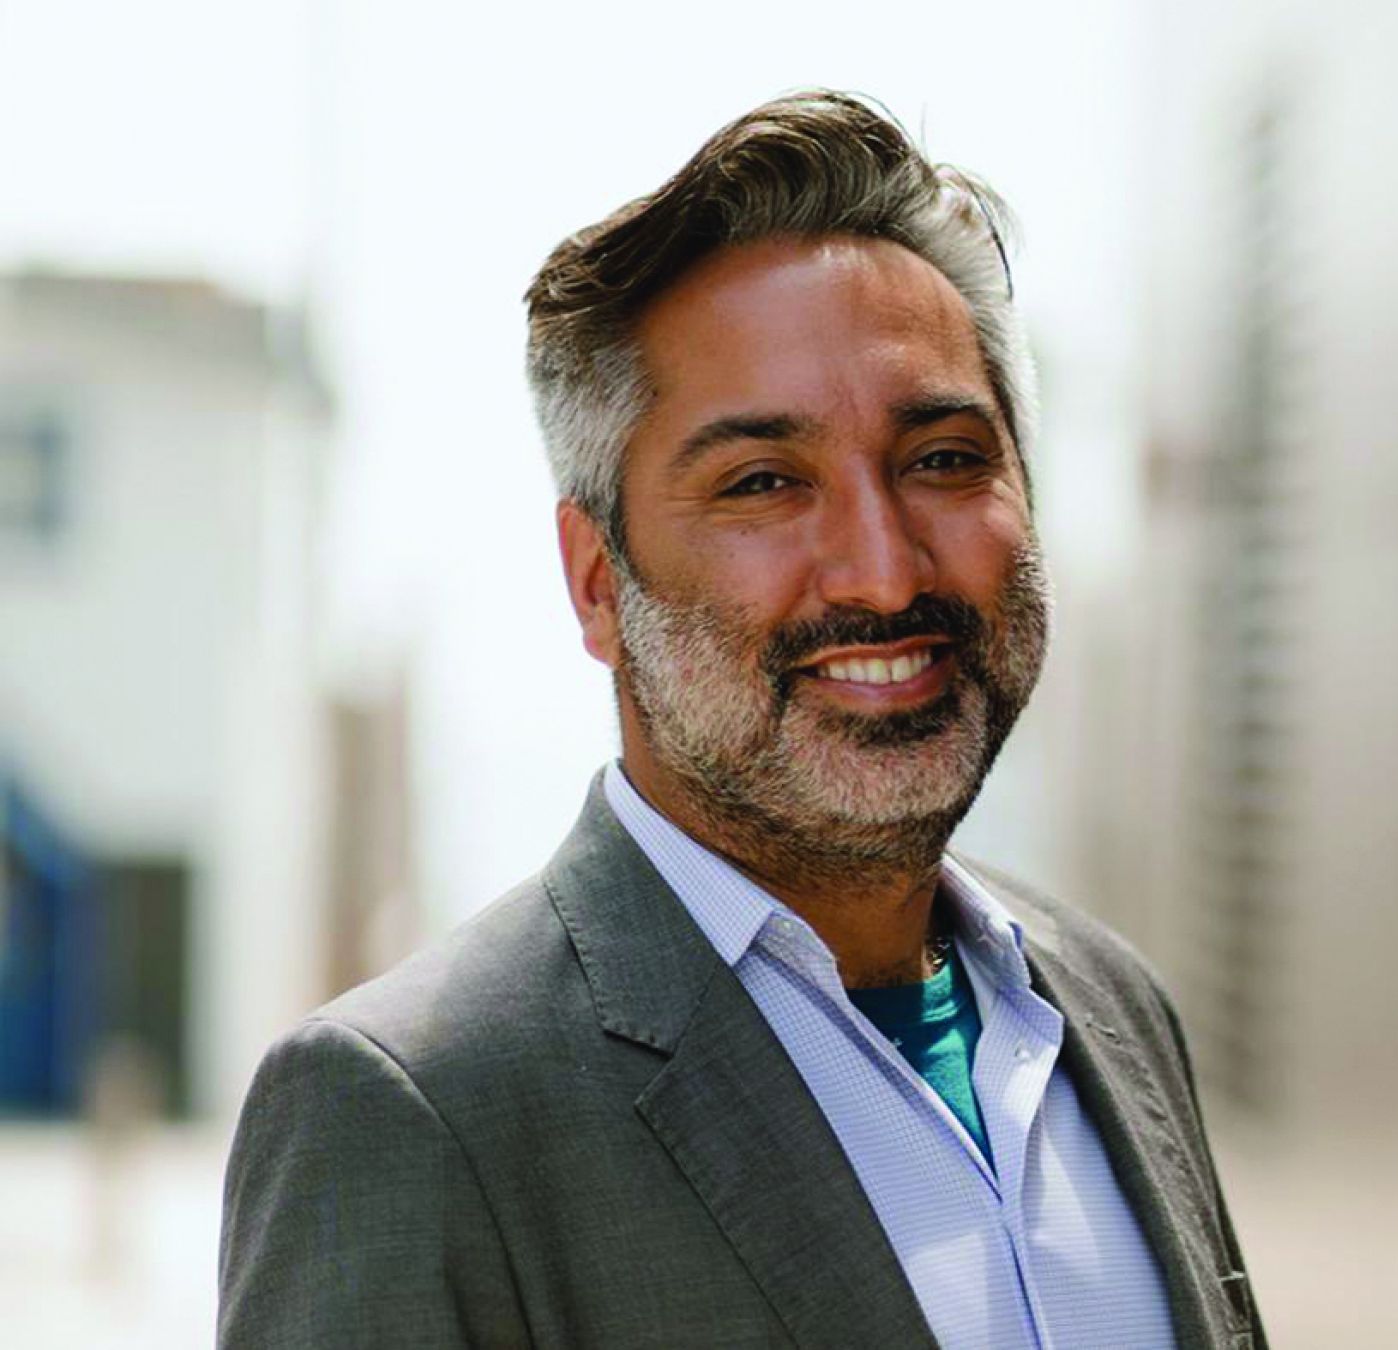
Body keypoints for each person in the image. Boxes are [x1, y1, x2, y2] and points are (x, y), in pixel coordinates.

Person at [218, 90, 1265, 1349]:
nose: (882, 574)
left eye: (940, 458)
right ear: (598, 580)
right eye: (763, 484)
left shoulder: (1111, 1009)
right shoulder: (413, 1109)